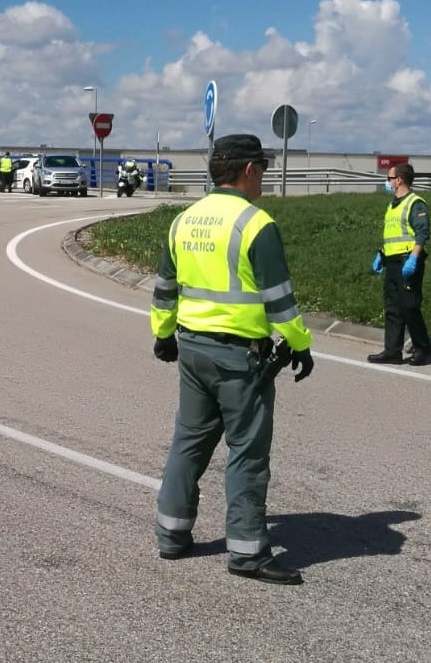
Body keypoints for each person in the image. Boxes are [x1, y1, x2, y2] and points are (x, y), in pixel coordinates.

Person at [148, 133, 315, 586]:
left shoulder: (183, 221)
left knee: (189, 441)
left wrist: (163, 335)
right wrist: (300, 344)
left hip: (192, 349)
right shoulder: (256, 224)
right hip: (241, 359)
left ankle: (171, 535)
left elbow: (165, 288)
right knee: (246, 452)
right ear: (248, 170)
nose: (262, 176)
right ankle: (247, 553)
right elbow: (279, 299)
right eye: (261, 168)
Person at [368, 162, 431, 365]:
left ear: (399, 180)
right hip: (392, 262)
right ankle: (392, 352)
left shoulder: (415, 203)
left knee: (409, 306)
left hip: (408, 261)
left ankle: (422, 348)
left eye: (389, 178)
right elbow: (393, 235)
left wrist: (414, 258)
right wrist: (381, 254)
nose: (386, 182)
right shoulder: (392, 205)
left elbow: (422, 233)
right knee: (393, 308)